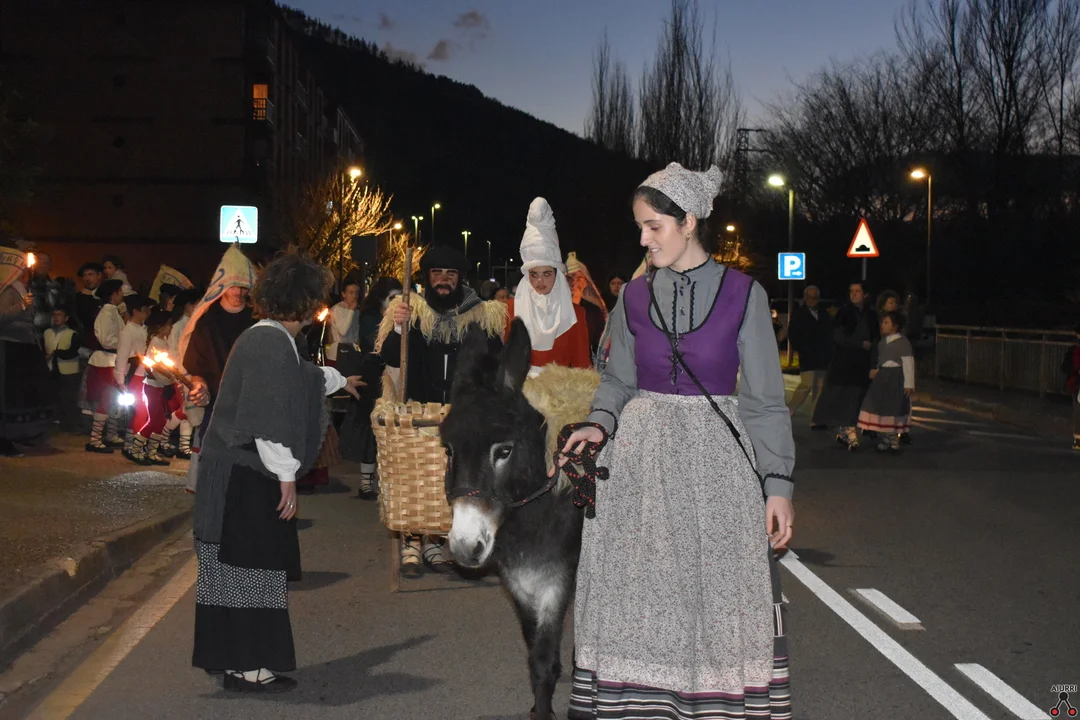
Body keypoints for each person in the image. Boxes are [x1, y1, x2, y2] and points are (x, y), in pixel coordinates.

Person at [555, 162, 794, 720]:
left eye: (654, 226)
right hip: (641, 464)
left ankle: (708, 700)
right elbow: (618, 380)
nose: (643, 239)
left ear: (688, 223)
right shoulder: (634, 297)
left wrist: (778, 484)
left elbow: (763, 401)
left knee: (714, 592)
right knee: (637, 588)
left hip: (717, 467)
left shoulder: (744, 294)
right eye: (640, 227)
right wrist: (598, 423)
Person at [191, 253, 363, 693]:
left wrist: (337, 381)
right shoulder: (269, 343)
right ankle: (247, 667)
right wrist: (287, 477)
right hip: (243, 474)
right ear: (306, 302)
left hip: (238, 470)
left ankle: (236, 662)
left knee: (237, 570)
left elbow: (298, 377)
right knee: (249, 568)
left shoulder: (268, 337)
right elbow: (266, 416)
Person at [376, 244, 507, 574]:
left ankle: (434, 542)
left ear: (460, 278)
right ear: (427, 277)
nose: (444, 280)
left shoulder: (481, 314)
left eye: (451, 274)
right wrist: (398, 326)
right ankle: (411, 543)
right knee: (414, 477)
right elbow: (390, 356)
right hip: (419, 411)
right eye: (437, 274)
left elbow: (496, 363)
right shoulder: (412, 310)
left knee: (448, 481)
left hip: (461, 418)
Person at [180, 245, 257, 492]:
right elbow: (197, 366)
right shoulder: (206, 321)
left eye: (243, 287)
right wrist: (199, 385)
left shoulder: (257, 320)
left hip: (249, 404)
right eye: (233, 286)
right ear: (222, 285)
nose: (238, 292)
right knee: (213, 468)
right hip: (217, 403)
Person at [505, 198, 591, 375]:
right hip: (519, 391)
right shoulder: (509, 310)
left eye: (547, 274)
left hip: (561, 391)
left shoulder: (576, 314)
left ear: (557, 276)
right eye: (534, 274)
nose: (539, 281)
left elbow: (582, 367)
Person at [339, 276, 402, 499]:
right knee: (371, 430)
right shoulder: (370, 318)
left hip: (393, 378)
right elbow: (375, 346)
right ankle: (366, 483)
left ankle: (385, 481)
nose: (396, 302)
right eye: (392, 298)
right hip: (373, 378)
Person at [812, 281, 879, 450]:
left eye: (858, 291)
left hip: (862, 364)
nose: (854, 294)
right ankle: (848, 431)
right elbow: (838, 337)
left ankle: (846, 431)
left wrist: (873, 363)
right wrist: (859, 343)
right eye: (851, 291)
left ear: (865, 294)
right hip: (844, 363)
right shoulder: (844, 313)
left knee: (856, 398)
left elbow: (875, 340)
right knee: (843, 397)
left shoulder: (871, 315)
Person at [1, 247, 50, 457]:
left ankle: (20, 435)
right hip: (10, 347)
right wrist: (20, 306)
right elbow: (1, 317)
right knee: (8, 396)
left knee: (22, 395)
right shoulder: (8, 290)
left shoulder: (26, 287)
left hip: (25, 347)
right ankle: (4, 439)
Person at [857, 311, 915, 452]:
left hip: (895, 379)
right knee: (879, 407)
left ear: (895, 326)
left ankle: (892, 439)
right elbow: (881, 360)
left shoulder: (903, 343)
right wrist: (876, 370)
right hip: (882, 378)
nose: (882, 325)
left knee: (892, 408)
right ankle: (886, 438)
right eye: (882, 322)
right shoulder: (882, 343)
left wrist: (909, 384)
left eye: (886, 323)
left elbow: (908, 363)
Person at [85, 279, 127, 452]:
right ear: (114, 294)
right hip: (105, 361)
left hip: (111, 360)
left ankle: (110, 434)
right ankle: (95, 439)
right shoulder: (107, 312)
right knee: (106, 399)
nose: (122, 294)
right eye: (120, 291)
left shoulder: (112, 311)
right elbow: (106, 340)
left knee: (113, 400)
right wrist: (124, 345)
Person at [114, 294, 153, 462]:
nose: (147, 313)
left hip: (144, 373)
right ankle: (133, 446)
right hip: (135, 374)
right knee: (140, 411)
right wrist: (120, 380)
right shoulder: (128, 331)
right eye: (145, 310)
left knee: (141, 411)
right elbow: (122, 356)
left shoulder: (144, 329)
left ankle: (132, 445)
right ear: (136, 311)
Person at [787, 285, 832, 426]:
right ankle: (790, 409)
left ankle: (816, 418)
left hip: (823, 355)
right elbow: (793, 333)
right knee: (807, 384)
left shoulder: (824, 313)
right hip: (808, 355)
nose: (812, 300)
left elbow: (829, 331)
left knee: (820, 388)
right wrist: (801, 348)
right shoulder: (799, 314)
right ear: (805, 298)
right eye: (810, 297)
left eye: (815, 297)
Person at [43, 307, 83, 434]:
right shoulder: (47, 333)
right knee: (55, 397)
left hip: (69, 370)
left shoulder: (72, 334)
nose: (56, 317)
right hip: (52, 369)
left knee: (69, 399)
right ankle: (57, 422)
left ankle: (70, 425)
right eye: (54, 315)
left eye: (59, 315)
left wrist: (56, 353)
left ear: (66, 318)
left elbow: (72, 352)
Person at [565, 252, 609, 359]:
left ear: (585, 282)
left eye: (579, 279)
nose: (574, 283)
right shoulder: (553, 309)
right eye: (569, 278)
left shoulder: (593, 311)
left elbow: (599, 347)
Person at [325, 278, 361, 367]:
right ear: (343, 294)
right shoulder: (337, 309)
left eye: (357, 293)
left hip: (352, 352)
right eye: (351, 293)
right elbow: (343, 331)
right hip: (337, 355)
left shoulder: (356, 311)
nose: (354, 296)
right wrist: (351, 311)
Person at [1063, 324, 1080, 451]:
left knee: (1078, 410)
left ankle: (1078, 439)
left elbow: (1065, 366)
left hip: (1076, 382)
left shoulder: (1074, 349)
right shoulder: (1074, 350)